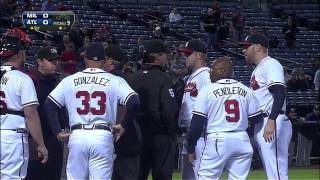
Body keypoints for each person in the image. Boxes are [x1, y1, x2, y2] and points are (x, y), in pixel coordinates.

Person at [44, 42, 140, 179]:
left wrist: (57, 132)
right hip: (102, 135)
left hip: (77, 135)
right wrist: (124, 125)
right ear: (105, 60)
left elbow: (49, 105)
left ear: (85, 59)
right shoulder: (115, 80)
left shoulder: (69, 80)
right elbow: (134, 102)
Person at [187, 57, 263, 179]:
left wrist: (191, 146)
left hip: (218, 139)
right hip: (241, 139)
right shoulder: (246, 90)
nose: (210, 73)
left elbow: (197, 122)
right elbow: (257, 118)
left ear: (221, 71)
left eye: (212, 70)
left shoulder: (207, 90)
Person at [239, 34, 292, 180]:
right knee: (273, 171)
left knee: (277, 172)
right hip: (264, 121)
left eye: (246, 46)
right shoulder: (259, 68)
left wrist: (271, 120)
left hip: (272, 120)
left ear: (258, 47)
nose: (243, 50)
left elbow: (279, 92)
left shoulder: (270, 64)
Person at [0, 28, 48, 179]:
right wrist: (40, 144)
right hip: (12, 138)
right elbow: (31, 114)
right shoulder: (22, 78)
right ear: (20, 53)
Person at [128, 39, 178, 180]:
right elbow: (169, 108)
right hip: (160, 135)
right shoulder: (163, 77)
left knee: (138, 175)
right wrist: (171, 131)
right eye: (164, 54)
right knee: (162, 175)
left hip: (137, 135)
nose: (167, 57)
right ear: (157, 56)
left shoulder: (132, 78)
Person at [25, 47, 64, 180]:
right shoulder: (30, 81)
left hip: (54, 137)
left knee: (54, 174)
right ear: (39, 61)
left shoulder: (56, 81)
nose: (55, 64)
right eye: (51, 60)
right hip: (35, 138)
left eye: (57, 60)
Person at [103, 45, 142, 180]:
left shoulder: (117, 80)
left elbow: (124, 108)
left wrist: (120, 127)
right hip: (127, 141)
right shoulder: (126, 78)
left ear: (109, 61)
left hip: (123, 141)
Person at [176, 39, 211, 180]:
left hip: (201, 135)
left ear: (198, 55)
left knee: (201, 175)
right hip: (189, 134)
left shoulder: (207, 75)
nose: (185, 57)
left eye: (188, 54)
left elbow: (212, 104)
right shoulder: (190, 77)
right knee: (188, 176)